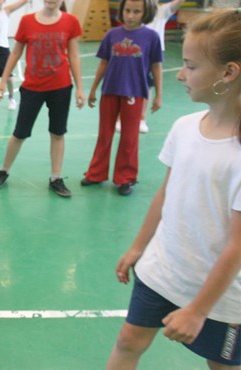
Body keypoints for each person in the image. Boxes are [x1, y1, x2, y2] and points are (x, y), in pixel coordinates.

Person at [107, 9, 241, 369]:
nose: (181, 74)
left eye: (192, 67)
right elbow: (166, 194)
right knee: (127, 341)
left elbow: (237, 245)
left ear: (228, 73)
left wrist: (198, 310)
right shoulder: (184, 127)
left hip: (219, 294)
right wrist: (139, 247)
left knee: (221, 365)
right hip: (163, 269)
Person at [0, 0, 85, 198]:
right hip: (32, 88)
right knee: (20, 133)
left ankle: (55, 178)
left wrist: (80, 88)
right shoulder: (27, 21)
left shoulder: (71, 22)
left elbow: (74, 56)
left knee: (58, 133)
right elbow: (15, 52)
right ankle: (3, 171)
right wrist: (3, 81)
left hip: (61, 87)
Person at [82, 0, 162, 196]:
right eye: (127, 10)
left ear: (145, 13)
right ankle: (96, 173)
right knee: (105, 134)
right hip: (109, 91)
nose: (131, 15)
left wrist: (159, 94)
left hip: (134, 93)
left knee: (129, 137)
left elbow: (156, 67)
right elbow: (103, 64)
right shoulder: (112, 34)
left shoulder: (151, 37)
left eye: (136, 11)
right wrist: (93, 89)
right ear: (122, 10)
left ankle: (126, 177)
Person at [117, 0, 184, 134]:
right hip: (133, 51)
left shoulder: (162, 10)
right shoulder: (136, 10)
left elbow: (178, 3)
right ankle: (120, 117)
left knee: (147, 86)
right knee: (125, 84)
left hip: (151, 55)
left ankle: (141, 118)